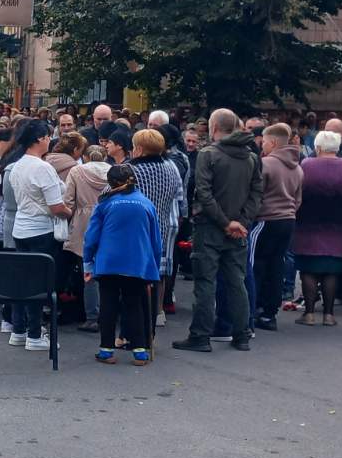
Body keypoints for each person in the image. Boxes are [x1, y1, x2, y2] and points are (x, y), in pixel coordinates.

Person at [174, 108, 264, 353]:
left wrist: (225, 222)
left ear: (213, 128)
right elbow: (257, 193)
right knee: (237, 281)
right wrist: (241, 222)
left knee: (205, 282)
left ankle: (200, 335)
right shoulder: (251, 157)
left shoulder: (208, 154)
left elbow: (203, 192)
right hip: (237, 229)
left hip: (210, 227)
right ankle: (242, 334)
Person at [82, 164, 161, 365]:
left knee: (108, 305)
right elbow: (155, 241)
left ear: (111, 183)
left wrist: (88, 263)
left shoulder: (105, 204)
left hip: (108, 262)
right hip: (137, 263)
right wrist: (154, 268)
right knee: (134, 305)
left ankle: (106, 350)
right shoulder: (146, 204)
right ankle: (140, 351)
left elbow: (91, 238)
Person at [2, 120, 66, 351]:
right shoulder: (42, 168)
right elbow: (56, 206)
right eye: (48, 136)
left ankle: (18, 330)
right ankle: (35, 334)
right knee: (39, 283)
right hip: (41, 229)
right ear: (39, 138)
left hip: (21, 228)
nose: (50, 140)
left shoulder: (17, 165)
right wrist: (71, 212)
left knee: (22, 281)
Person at [292, 130, 342, 326]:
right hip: (338, 224)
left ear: (318, 147)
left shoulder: (306, 165)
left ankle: (309, 314)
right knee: (331, 271)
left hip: (308, 224)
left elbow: (297, 191)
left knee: (308, 270)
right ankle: (329, 315)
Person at [125, 128, 183, 332]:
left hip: (135, 228)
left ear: (139, 149)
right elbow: (180, 198)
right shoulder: (171, 167)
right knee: (157, 273)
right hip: (164, 225)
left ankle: (132, 324)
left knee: (133, 277)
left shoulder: (131, 170)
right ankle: (156, 313)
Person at [250, 124, 303, 332]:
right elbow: (298, 199)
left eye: (263, 141)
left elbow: (256, 195)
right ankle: (269, 313)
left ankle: (253, 308)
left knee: (256, 265)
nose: (262, 144)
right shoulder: (298, 167)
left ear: (272, 142)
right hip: (288, 220)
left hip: (265, 220)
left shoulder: (266, 164)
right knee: (276, 265)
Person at [62, 145, 111, 332]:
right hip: (109, 218)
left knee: (88, 269)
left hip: (83, 221)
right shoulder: (114, 171)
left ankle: (92, 316)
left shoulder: (76, 171)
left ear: (85, 156)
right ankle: (110, 313)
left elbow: (68, 201)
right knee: (109, 270)